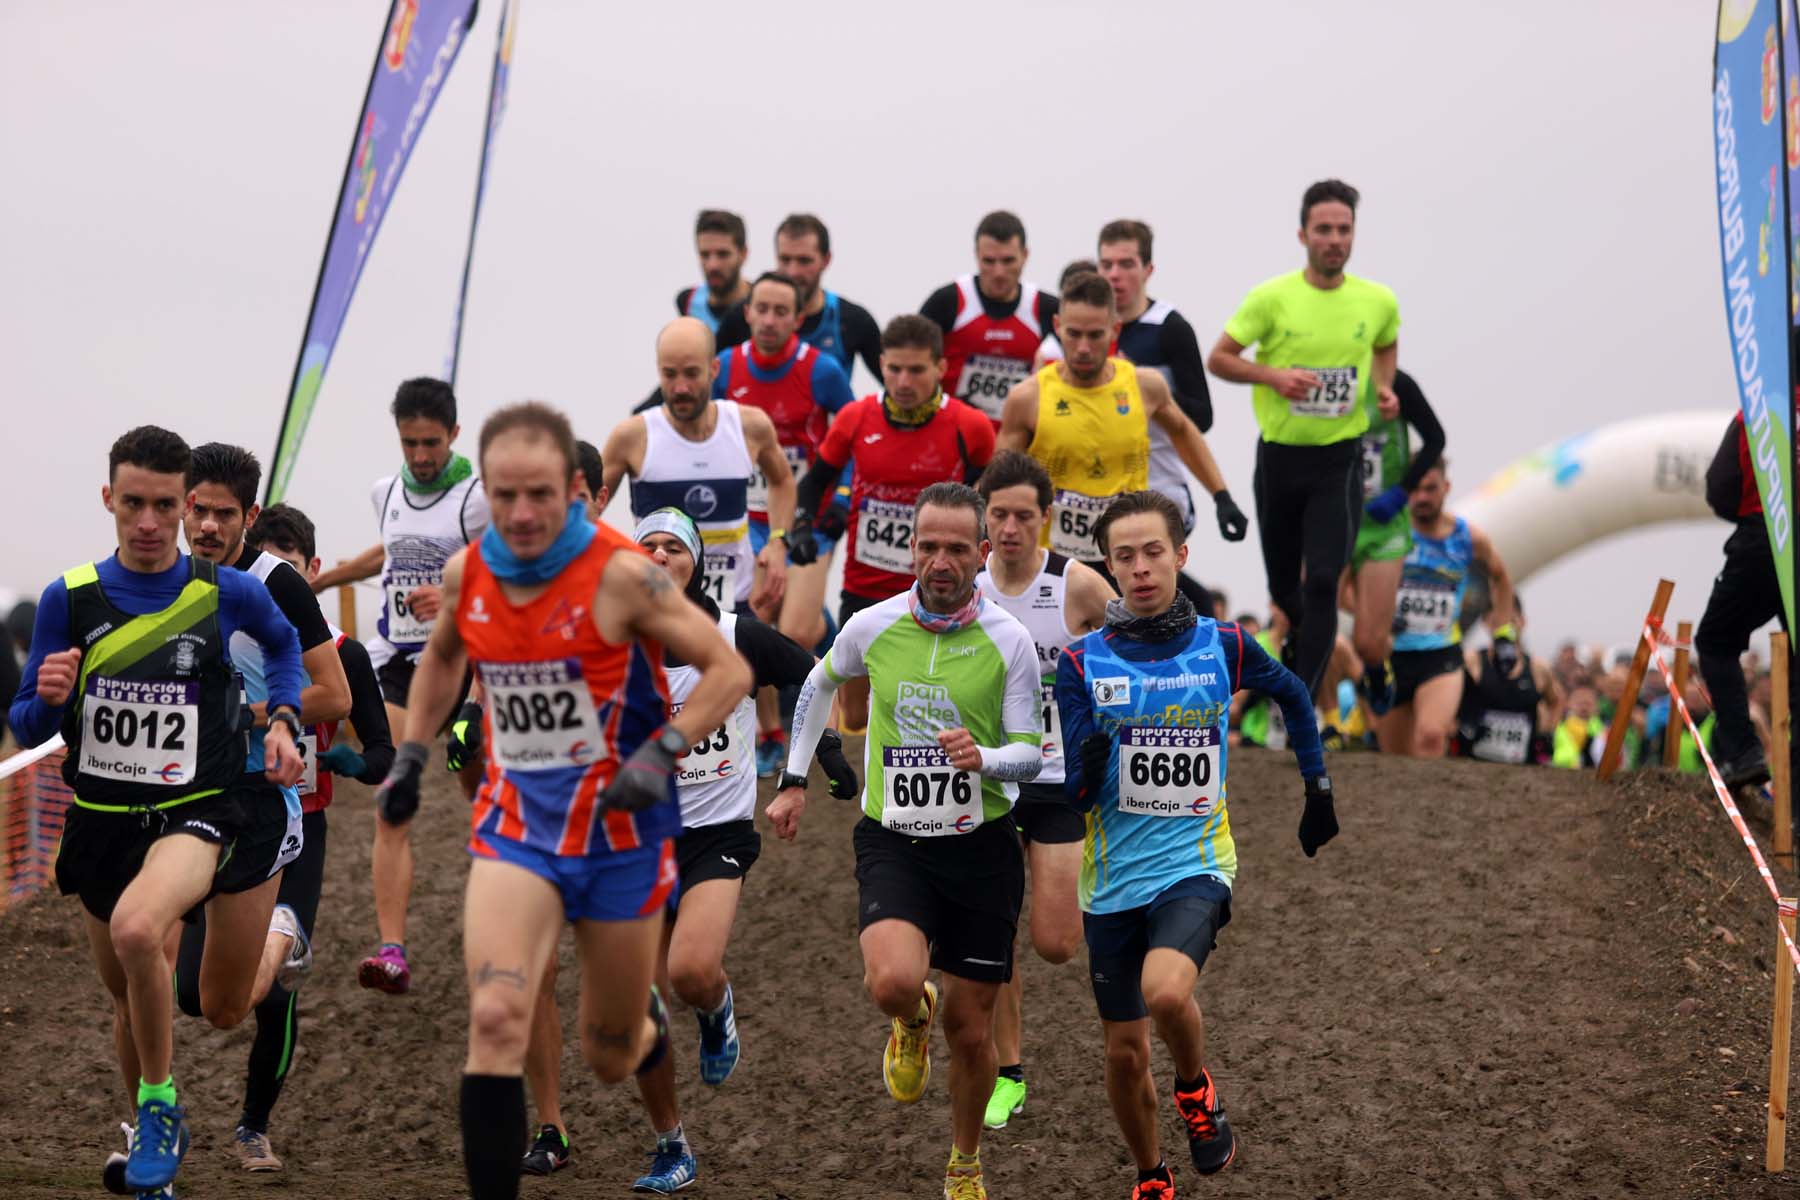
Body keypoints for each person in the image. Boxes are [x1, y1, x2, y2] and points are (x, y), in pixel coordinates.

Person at [370, 401, 751, 1200]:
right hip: (519, 830)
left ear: (577, 487)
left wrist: (660, 753)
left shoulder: (624, 574)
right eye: (504, 496)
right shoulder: (468, 572)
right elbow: (441, 659)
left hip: (621, 834)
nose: (522, 513)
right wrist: (411, 754)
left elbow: (728, 672)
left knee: (609, 1050)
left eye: (539, 493)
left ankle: (644, 1027)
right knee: (497, 1020)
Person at [7, 426, 306, 1197]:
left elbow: (283, 647)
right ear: (109, 499)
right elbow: (31, 726)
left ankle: (160, 1109)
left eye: (163, 505)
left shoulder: (224, 590)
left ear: (185, 506)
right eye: (132, 503)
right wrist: (47, 697)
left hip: (194, 812)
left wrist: (282, 718)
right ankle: (150, 1139)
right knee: (127, 990)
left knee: (146, 932)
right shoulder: (67, 599)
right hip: (101, 818)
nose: (147, 521)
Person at [1055, 489, 1336, 1199]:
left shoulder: (1225, 644)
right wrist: (1084, 772)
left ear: (1181, 555)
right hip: (1113, 879)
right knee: (1122, 1054)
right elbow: (1076, 800)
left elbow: (1294, 696)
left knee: (1165, 993)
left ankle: (1194, 1087)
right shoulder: (1082, 663)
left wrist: (1318, 786)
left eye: (1154, 552)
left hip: (1197, 863)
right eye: (1126, 557)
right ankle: (1152, 1175)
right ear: (1109, 568)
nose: (1142, 569)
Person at [768, 482, 1044, 1200]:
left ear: (982, 554)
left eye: (958, 548)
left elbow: (1030, 753)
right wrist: (793, 778)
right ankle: (908, 1018)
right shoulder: (872, 625)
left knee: (973, 1029)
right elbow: (814, 685)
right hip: (895, 839)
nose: (942, 561)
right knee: (893, 981)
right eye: (929, 546)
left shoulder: (1009, 641)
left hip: (982, 846)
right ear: (910, 549)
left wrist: (984, 757)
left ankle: (964, 1162)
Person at [620, 507, 856, 1193]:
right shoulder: (612, 642)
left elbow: (811, 677)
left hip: (715, 835)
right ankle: (672, 1146)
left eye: (674, 547)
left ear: (697, 560)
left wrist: (812, 765)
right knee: (639, 1005)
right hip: (634, 840)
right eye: (648, 547)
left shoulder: (733, 635)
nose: (660, 556)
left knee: (690, 971)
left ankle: (716, 1007)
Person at [171, 448, 361, 1173]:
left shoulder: (278, 583)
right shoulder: (166, 578)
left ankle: (254, 1127)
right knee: (198, 998)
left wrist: (248, 715)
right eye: (199, 508)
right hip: (188, 799)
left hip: (277, 810)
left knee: (268, 1000)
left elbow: (336, 696)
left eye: (225, 512)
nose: (208, 523)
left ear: (250, 516)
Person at [310, 377, 491, 994]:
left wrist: (455, 594)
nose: (420, 456)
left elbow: (515, 565)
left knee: (481, 790)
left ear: (455, 435)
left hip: (468, 664)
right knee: (393, 798)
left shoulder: (477, 497)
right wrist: (326, 578)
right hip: (395, 667)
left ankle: (515, 873)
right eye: (410, 442)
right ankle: (392, 950)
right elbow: (387, 553)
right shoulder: (386, 491)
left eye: (431, 443)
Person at [1207, 178, 1400, 703]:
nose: (1334, 239)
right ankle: (1297, 649)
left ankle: (1301, 700)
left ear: (1354, 234)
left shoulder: (1377, 300)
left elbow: (1386, 345)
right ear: (1303, 234)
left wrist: (1383, 390)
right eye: (1323, 229)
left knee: (1323, 583)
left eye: (1343, 229)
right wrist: (1274, 377)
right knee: (1285, 593)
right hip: (1279, 459)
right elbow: (1219, 358)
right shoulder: (1272, 298)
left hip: (1339, 459)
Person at [972, 450, 1114, 1130]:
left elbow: (1132, 650)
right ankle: (1009, 1071)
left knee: (1056, 943)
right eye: (998, 514)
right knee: (994, 934)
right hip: (988, 782)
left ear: (1047, 519)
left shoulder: (1077, 585)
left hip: (1058, 781)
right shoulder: (966, 590)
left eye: (1023, 515)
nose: (1009, 528)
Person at [791, 314, 997, 730]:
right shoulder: (855, 418)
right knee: (853, 712)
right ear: (881, 364)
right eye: (894, 369)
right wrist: (800, 525)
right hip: (865, 585)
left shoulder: (969, 425)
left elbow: (990, 498)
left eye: (916, 370)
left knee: (928, 697)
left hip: (939, 586)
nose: (903, 381)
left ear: (940, 368)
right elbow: (814, 482)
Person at [997, 271, 1247, 612]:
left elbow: (1184, 432)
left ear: (1114, 330)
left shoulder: (1144, 386)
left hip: (1127, 558)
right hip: (1061, 561)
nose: (1083, 347)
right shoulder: (1028, 398)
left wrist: (1222, 496)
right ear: (1057, 326)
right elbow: (999, 480)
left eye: (1095, 335)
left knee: (1202, 608)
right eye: (1074, 334)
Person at [712, 272, 854, 773]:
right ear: (747, 313)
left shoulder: (822, 371)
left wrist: (840, 495)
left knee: (794, 627)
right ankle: (770, 733)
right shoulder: (725, 367)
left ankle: (820, 622)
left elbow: (853, 432)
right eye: (762, 309)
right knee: (752, 619)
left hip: (806, 519)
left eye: (781, 312)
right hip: (746, 517)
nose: (770, 320)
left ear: (798, 319)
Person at [603, 317, 796, 614]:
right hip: (659, 603)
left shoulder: (748, 426)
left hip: (735, 605)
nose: (680, 387)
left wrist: (778, 542)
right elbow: (588, 505)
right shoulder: (632, 437)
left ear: (714, 370)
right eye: (669, 375)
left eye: (692, 374)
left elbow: (782, 480)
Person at [1380, 463, 1514, 758]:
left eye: (1430, 489)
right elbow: (1347, 586)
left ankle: (1429, 805)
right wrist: (1380, 615)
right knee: (1393, 758)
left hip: (1441, 653)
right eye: (1415, 490)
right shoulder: (1388, 532)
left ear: (1446, 488)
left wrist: (1503, 633)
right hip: (1391, 654)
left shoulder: (1469, 538)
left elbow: (1501, 577)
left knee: (1430, 737)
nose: (1422, 497)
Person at [1696, 410, 1798, 787]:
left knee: (1715, 642)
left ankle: (1742, 753)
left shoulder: (1759, 407)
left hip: (1765, 538)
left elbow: (1720, 487)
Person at [1094, 220, 1216, 534]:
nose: (1114, 274)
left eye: (1126, 264)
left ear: (1148, 270)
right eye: (1106, 264)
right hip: (1095, 487)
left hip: (1159, 484)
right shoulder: (1084, 333)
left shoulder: (1169, 328)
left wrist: (1147, 390)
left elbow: (1202, 417)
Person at [1339, 368, 1447, 715]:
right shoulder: (1323, 379)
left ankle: (1376, 667)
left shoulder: (1395, 382)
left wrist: (1402, 491)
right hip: (1336, 517)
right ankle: (1323, 717)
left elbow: (1435, 438)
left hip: (1382, 524)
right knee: (1311, 620)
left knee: (1367, 643)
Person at [921, 211, 1059, 425]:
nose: (998, 272)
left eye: (1008, 261)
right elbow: (910, 357)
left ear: (1025, 255)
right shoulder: (947, 302)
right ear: (976, 255)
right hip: (953, 433)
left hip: (1018, 438)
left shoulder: (1046, 308)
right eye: (989, 261)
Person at [714, 213, 883, 383]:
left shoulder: (853, 321)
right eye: (785, 259)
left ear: (826, 260)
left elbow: (896, 385)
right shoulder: (739, 318)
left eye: (804, 261)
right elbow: (707, 382)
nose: (793, 271)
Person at [1455, 595, 1561, 766]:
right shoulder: (1471, 661)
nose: (1505, 628)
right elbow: (1448, 700)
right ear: (1486, 623)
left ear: (1523, 622)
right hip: (1472, 764)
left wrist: (1546, 734)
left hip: (1521, 767)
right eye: (1497, 622)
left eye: (1511, 620)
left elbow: (1557, 701)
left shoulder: (1538, 668)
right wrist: (1459, 726)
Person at [675, 209, 752, 334]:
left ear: (743, 254)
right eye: (705, 255)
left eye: (723, 254)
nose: (713, 266)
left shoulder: (764, 305)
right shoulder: (687, 301)